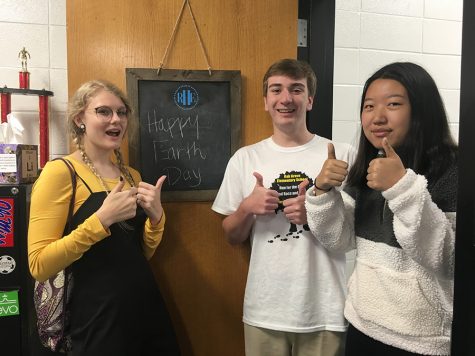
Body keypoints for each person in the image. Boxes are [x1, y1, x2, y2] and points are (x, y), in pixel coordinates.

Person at [305, 62, 458, 356]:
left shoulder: (454, 171)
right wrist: (322, 192)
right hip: (363, 324)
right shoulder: (366, 170)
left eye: (394, 104)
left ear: (422, 110)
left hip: (423, 340)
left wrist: (401, 187)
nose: (377, 117)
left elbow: (449, 259)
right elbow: (339, 240)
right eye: (369, 106)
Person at [28, 80, 180, 356]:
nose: (116, 120)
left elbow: (139, 252)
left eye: (121, 112)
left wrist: (157, 219)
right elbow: (39, 265)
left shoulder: (131, 175)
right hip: (92, 318)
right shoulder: (61, 173)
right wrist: (100, 221)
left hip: (142, 306)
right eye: (103, 111)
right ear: (79, 119)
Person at [212, 58, 352, 356]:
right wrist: (247, 208)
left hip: (326, 309)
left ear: (310, 100)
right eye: (276, 90)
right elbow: (231, 236)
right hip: (265, 309)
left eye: (296, 90)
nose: (286, 98)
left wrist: (317, 212)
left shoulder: (341, 155)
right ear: (266, 101)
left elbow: (353, 235)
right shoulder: (245, 158)